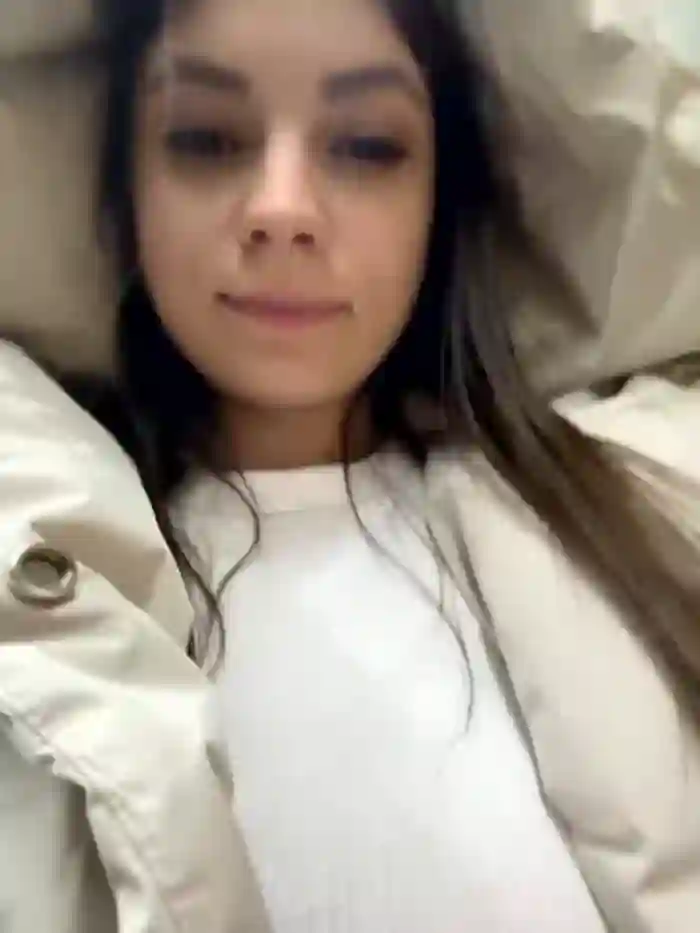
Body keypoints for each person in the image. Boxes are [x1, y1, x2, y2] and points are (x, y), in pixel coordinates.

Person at [11, 0, 700, 929]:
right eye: (207, 139)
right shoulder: (48, 584)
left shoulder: (636, 498)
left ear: (440, 205)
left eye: (368, 147)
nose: (282, 209)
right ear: (125, 194)